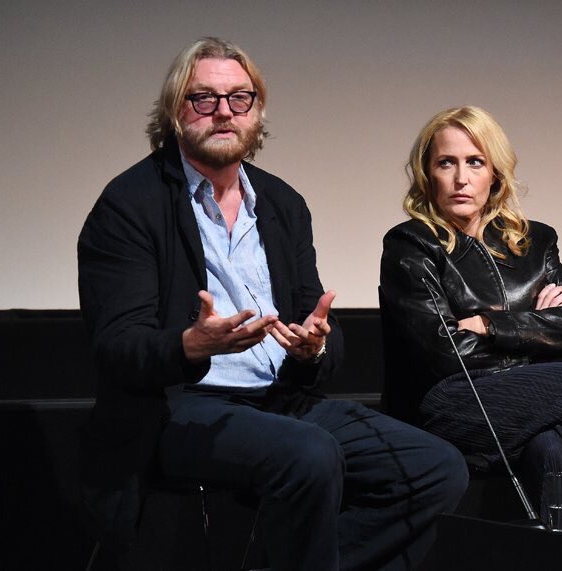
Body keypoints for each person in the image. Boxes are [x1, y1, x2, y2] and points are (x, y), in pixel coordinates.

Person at [78, 37, 467, 570]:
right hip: (179, 407)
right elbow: (116, 347)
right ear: (174, 111)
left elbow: (316, 319)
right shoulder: (130, 205)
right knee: (309, 454)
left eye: (240, 98)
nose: (223, 111)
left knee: (435, 468)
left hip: (282, 400)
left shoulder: (282, 204)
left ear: (257, 111)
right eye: (203, 98)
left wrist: (313, 348)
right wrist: (189, 346)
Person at [379, 106, 562, 528]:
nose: (461, 178)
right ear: (427, 174)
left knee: (547, 446)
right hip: (448, 403)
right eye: (446, 163)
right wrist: (534, 332)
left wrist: (489, 325)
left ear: (495, 173)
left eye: (475, 162)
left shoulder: (534, 241)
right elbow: (445, 352)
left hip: (521, 402)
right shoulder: (411, 245)